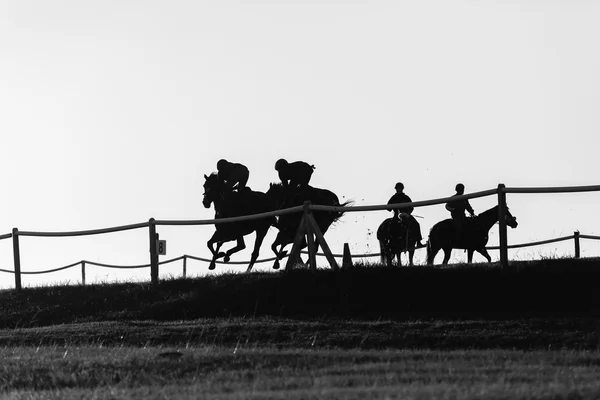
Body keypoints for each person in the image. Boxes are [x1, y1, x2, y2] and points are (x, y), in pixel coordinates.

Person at [387, 182, 425, 247]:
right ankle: (390, 241)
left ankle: (418, 241)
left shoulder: (406, 197)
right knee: (391, 226)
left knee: (416, 224)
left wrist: (408, 213)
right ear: (396, 189)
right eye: (398, 189)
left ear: (402, 189)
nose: (399, 190)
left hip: (407, 215)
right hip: (397, 216)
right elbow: (388, 208)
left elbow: (411, 207)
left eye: (400, 188)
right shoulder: (394, 198)